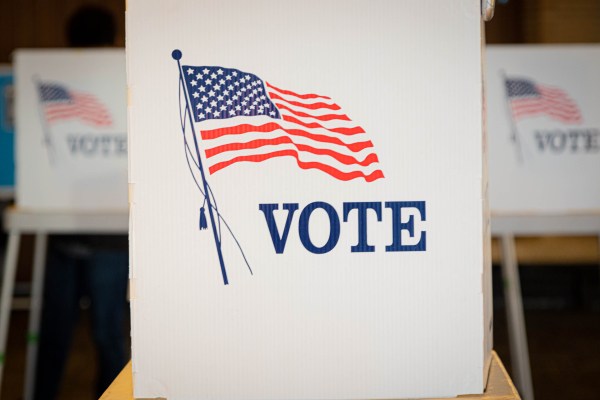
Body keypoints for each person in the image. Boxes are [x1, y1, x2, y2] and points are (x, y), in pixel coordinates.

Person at [34, 5, 128, 399]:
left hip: (66, 230)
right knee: (108, 337)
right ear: (112, 39)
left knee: (54, 338)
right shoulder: (127, 80)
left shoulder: (57, 79)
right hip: (110, 236)